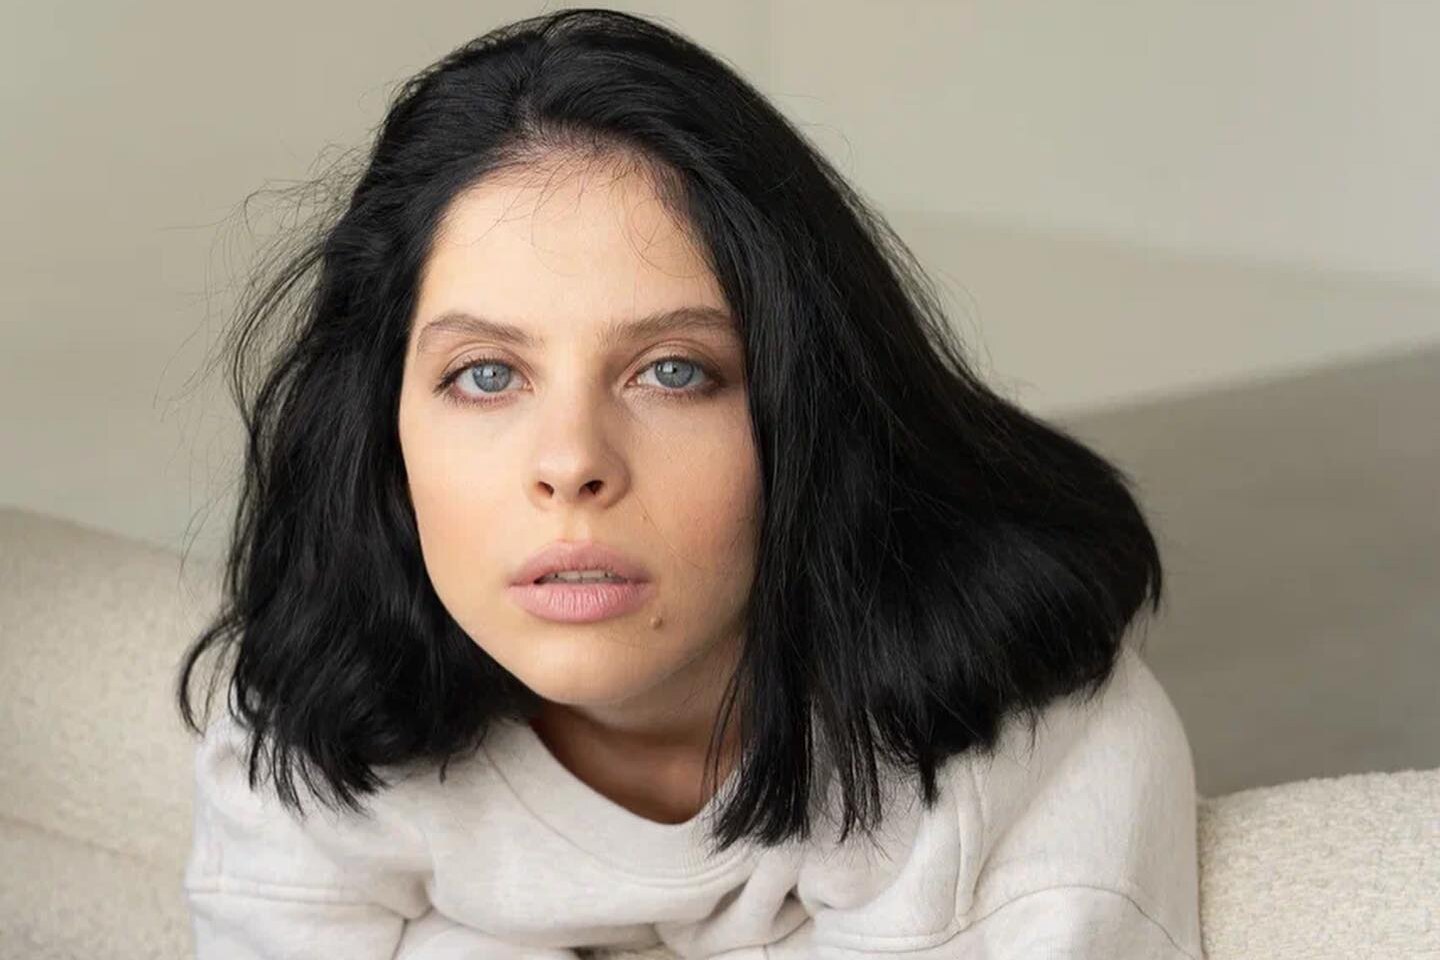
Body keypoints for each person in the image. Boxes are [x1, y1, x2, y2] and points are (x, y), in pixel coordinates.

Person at [175, 7, 1204, 958]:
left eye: (673, 371)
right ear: (379, 426)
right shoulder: (327, 703)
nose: (571, 462)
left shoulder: (1009, 744)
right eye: (485, 375)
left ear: (808, 408)